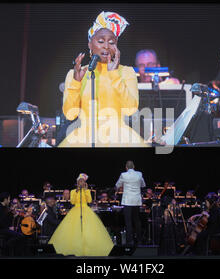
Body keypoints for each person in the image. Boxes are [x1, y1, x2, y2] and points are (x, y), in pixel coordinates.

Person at [58, 11, 147, 147]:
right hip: (84, 138)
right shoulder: (75, 73)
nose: (106, 46)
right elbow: (70, 115)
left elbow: (131, 110)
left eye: (111, 42)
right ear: (90, 45)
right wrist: (76, 83)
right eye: (100, 41)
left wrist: (114, 75)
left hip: (119, 137)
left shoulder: (126, 72)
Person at [49, 173, 114, 256]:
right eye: (80, 181)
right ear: (77, 182)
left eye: (82, 181)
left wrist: (86, 191)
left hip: (86, 210)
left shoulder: (87, 190)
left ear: (84, 183)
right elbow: (72, 201)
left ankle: (89, 248)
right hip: (76, 210)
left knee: (88, 229)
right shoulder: (73, 191)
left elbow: (89, 200)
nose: (81, 183)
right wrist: (76, 191)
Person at [115, 161, 146, 246]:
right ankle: (139, 240)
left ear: (126, 167)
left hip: (128, 201)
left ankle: (130, 241)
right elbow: (143, 185)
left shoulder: (123, 175)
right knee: (137, 220)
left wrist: (117, 188)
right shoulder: (139, 174)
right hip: (136, 200)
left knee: (128, 221)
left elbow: (117, 185)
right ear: (134, 166)